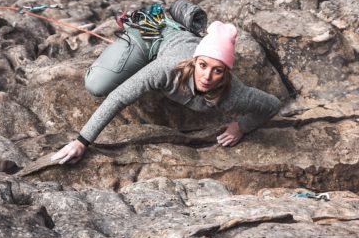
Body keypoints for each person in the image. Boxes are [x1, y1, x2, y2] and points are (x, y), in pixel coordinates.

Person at [51, 18, 281, 165]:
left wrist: (242, 126)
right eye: (202, 66)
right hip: (152, 38)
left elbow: (271, 104)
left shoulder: (235, 94)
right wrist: (82, 141)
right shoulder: (166, 69)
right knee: (96, 85)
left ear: (226, 73)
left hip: (181, 43)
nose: (207, 77)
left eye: (217, 70)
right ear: (194, 62)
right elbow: (119, 97)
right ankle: (138, 26)